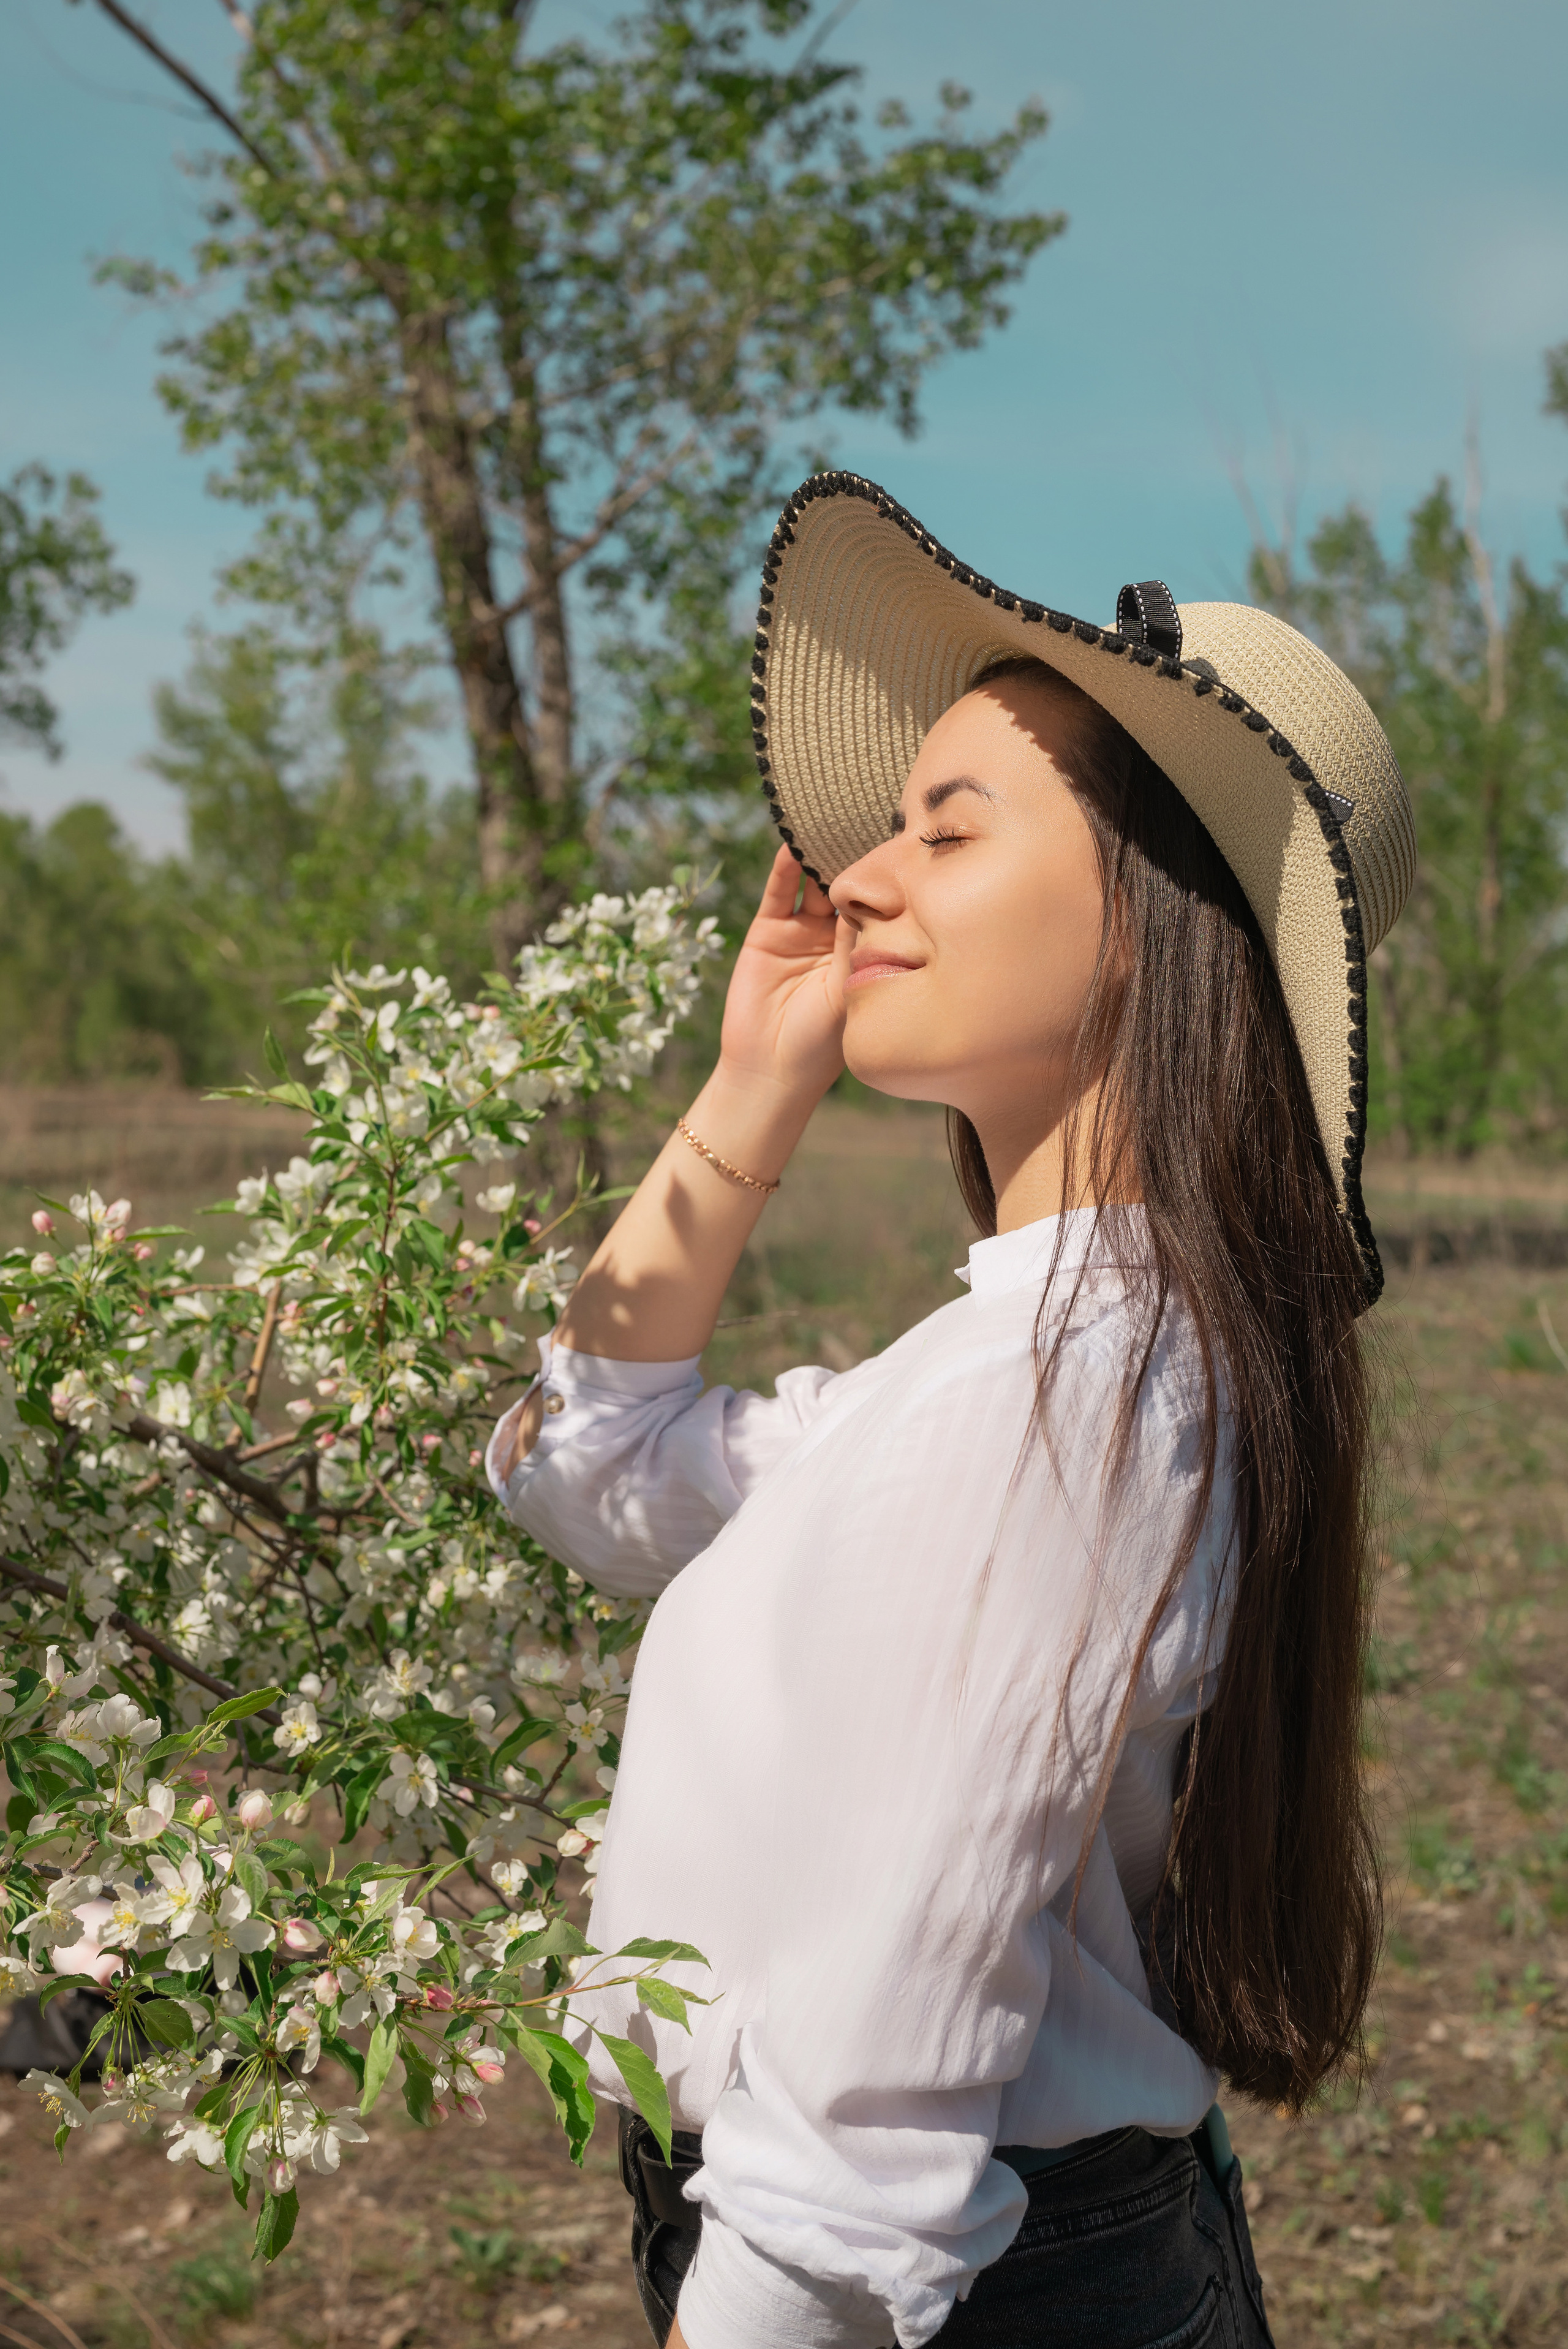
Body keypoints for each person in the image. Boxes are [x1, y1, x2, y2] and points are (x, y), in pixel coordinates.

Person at [487, 472, 1417, 2349]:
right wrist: (752, 1083)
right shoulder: (1016, 1372)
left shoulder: (1066, 1400)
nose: (854, 878)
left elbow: (859, 2140)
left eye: (949, 826)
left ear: (1155, 920)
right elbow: (585, 1463)